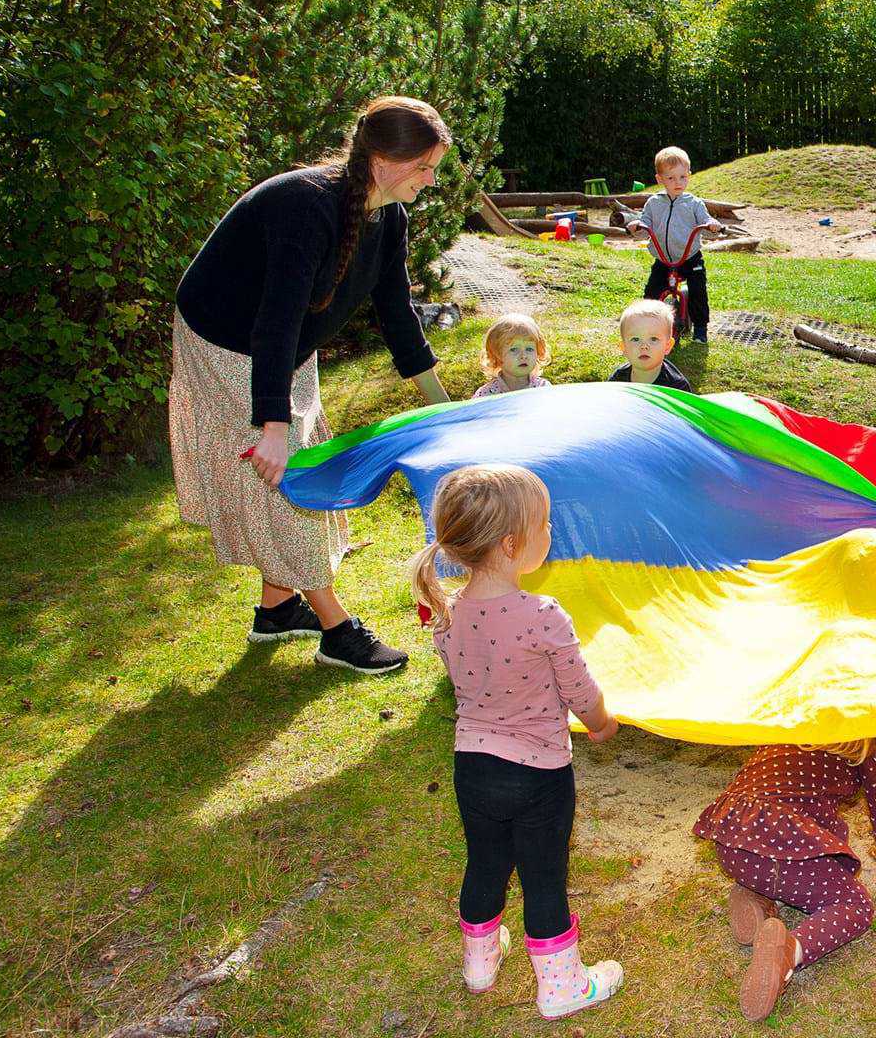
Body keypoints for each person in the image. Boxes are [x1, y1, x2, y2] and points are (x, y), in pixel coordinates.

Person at [170, 95, 453, 674]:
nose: (430, 180)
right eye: (423, 167)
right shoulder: (306, 205)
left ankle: (277, 608)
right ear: (382, 158)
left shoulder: (388, 213)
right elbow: (277, 317)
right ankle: (336, 630)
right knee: (285, 474)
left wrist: (444, 410)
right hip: (226, 337)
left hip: (285, 344)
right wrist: (271, 424)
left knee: (303, 458)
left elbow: (397, 313)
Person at [410, 464, 625, 1019]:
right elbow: (579, 689)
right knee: (543, 876)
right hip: (539, 775)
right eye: (545, 523)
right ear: (511, 544)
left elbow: (466, 677)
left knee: (484, 862)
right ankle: (561, 987)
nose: (551, 531)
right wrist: (601, 723)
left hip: (473, 768)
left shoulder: (449, 613)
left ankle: (479, 964)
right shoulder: (543, 615)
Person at [693, 738, 876, 1021]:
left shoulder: (790, 718)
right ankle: (788, 951)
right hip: (787, 850)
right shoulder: (869, 737)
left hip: (733, 841)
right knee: (856, 904)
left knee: (771, 864)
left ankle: (755, 892)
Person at [628, 146, 722, 344]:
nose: (678, 182)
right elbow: (645, 223)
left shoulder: (694, 203)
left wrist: (712, 225)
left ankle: (700, 328)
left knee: (698, 289)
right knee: (651, 292)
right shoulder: (653, 203)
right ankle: (649, 325)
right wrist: (637, 225)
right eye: (671, 178)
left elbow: (705, 222)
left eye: (682, 177)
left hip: (690, 257)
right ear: (660, 179)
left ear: (688, 175)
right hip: (663, 258)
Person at [605, 299, 694, 391]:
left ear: (667, 346)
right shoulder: (618, 380)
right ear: (624, 347)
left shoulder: (677, 387)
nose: (644, 346)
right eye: (635, 339)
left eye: (653, 339)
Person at [472, 314, 552, 398]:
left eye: (529, 349)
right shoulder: (487, 395)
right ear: (497, 354)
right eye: (514, 349)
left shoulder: (543, 388)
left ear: (538, 353)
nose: (524, 356)